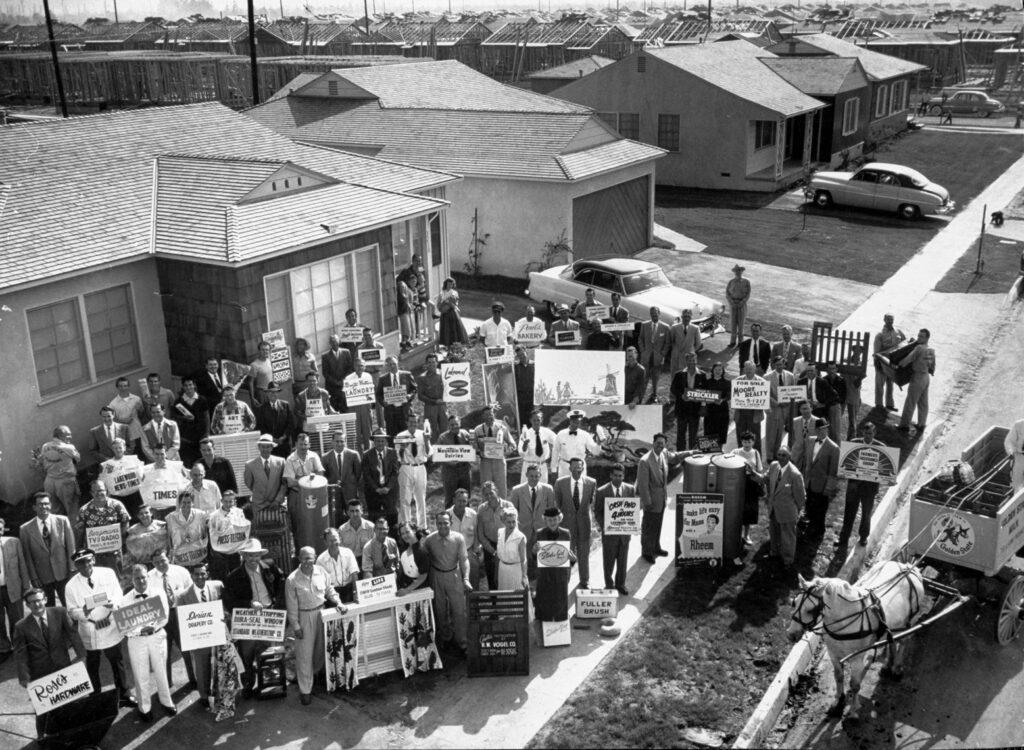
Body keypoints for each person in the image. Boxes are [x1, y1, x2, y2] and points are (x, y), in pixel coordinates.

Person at [13, 588, 86, 738]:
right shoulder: (21, 626)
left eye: (39, 600)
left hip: (62, 668)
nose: (37, 604)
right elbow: (21, 655)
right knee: (43, 709)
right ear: (27, 605)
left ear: (45, 599)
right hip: (40, 673)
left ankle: (71, 731)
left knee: (69, 702)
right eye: (32, 602)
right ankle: (41, 737)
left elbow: (73, 634)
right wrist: (25, 678)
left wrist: (82, 656)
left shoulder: (59, 612)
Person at [64, 548, 131, 705]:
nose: (85, 565)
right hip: (89, 628)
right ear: (75, 566)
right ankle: (95, 698)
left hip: (110, 623)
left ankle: (124, 694)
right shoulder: (70, 586)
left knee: (117, 661)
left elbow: (118, 594)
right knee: (92, 665)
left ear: (93, 560)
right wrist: (84, 612)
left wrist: (112, 605)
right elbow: (72, 611)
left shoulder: (107, 573)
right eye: (80, 563)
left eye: (88, 561)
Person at [223, 539, 285, 698]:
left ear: (260, 555)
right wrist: (248, 604)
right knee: (247, 654)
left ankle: (269, 684)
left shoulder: (270, 566)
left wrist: (276, 602)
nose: (253, 559)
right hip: (247, 619)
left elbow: (281, 582)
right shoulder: (234, 576)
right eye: (249, 556)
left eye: (256, 556)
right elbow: (229, 601)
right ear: (243, 556)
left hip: (268, 617)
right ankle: (248, 684)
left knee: (268, 652)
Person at [286, 546, 345, 705]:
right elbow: (291, 606)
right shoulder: (292, 579)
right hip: (304, 616)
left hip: (322, 614)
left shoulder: (321, 572)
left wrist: (338, 602)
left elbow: (329, 590)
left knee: (321, 650)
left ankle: (316, 676)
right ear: (299, 558)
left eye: (310, 558)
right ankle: (305, 690)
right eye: (304, 558)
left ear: (315, 557)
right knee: (304, 655)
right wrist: (296, 626)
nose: (307, 562)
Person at [119, 564, 176, 722]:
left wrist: (153, 627)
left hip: (157, 636)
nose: (141, 580)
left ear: (148, 577)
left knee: (161, 671)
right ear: (132, 580)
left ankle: (166, 701)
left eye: (143, 577)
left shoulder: (159, 593)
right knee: (140, 674)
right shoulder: (124, 600)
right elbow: (124, 628)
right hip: (136, 641)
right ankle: (144, 708)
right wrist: (139, 631)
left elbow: (164, 617)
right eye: (137, 578)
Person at [174, 562, 223, 711]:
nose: (200, 577)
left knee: (219, 665)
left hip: (216, 635)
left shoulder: (217, 586)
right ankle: (203, 695)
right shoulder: (183, 596)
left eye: (203, 573)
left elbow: (224, 605)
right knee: (202, 669)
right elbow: (182, 620)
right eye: (197, 574)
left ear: (207, 574)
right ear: (191, 576)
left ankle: (219, 693)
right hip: (198, 638)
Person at [423, 510, 472, 653]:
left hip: (454, 574)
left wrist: (466, 578)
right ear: (435, 524)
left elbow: (464, 559)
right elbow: (423, 557)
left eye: (445, 523)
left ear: (451, 523)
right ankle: (446, 639)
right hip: (437, 576)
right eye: (439, 523)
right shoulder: (430, 540)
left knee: (459, 610)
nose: (443, 526)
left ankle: (462, 642)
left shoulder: (458, 538)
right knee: (440, 610)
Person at [637, 434, 690, 563]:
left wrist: (690, 452)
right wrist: (647, 502)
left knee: (658, 525)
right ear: (653, 442)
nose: (660, 445)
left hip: (661, 499)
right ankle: (646, 552)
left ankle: (656, 547)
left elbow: (676, 457)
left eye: (663, 443)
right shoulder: (645, 461)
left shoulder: (664, 453)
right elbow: (642, 486)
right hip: (651, 501)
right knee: (649, 527)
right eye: (658, 443)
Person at [148, 549, 195, 687]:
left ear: (169, 558)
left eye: (163, 560)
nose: (160, 564)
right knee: (164, 651)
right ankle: (166, 683)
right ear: (152, 563)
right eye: (156, 562)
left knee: (187, 648)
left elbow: (191, 591)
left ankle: (194, 679)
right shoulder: (149, 577)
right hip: (161, 616)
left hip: (180, 612)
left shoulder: (181, 572)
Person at [837, 422, 888, 548]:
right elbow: (845, 463)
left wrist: (887, 478)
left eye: (870, 433)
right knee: (849, 513)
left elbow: (884, 469)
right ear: (862, 433)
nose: (867, 436)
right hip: (853, 487)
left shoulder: (881, 447)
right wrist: (843, 472)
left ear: (874, 433)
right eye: (865, 433)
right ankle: (843, 539)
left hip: (869, 489)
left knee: (866, 514)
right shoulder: (854, 443)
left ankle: (864, 537)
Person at [20, 492, 75, 606]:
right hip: (42, 577)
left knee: (70, 605)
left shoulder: (63, 521)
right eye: (40, 504)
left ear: (50, 505)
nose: (43, 507)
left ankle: (72, 624)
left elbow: (71, 548)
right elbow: (27, 557)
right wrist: (33, 577)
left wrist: (72, 569)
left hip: (63, 573)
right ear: (34, 507)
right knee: (49, 610)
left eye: (46, 503)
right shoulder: (25, 529)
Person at [554, 458, 597, 589]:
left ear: (583, 469)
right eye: (575, 467)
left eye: (580, 467)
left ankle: (585, 581)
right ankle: (563, 582)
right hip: (567, 526)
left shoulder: (591, 483)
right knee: (566, 555)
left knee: (584, 555)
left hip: (584, 525)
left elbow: (590, 503)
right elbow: (558, 505)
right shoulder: (560, 483)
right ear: (570, 468)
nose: (578, 470)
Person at [593, 463, 634, 595]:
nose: (617, 478)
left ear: (624, 476)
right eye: (615, 475)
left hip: (624, 534)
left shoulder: (630, 489)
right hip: (609, 534)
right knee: (609, 561)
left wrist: (631, 525)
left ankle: (620, 584)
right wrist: (605, 525)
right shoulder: (601, 491)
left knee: (622, 561)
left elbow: (632, 510)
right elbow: (597, 512)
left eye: (620, 476)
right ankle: (609, 585)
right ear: (610, 475)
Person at [76, 480, 130, 572]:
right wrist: (80, 548)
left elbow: (125, 522)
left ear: (106, 491)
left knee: (117, 578)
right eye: (95, 491)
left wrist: (119, 538)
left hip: (114, 553)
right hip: (94, 555)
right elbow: (80, 532)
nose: (99, 493)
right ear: (91, 493)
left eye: (101, 490)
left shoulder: (117, 505)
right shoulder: (84, 510)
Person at [766, 446, 805, 572]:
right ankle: (774, 553)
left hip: (787, 511)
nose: (781, 457)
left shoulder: (795, 474)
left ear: (789, 457)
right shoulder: (773, 466)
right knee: (774, 533)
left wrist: (796, 510)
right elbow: (765, 479)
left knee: (787, 537)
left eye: (784, 455)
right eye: (779, 454)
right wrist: (752, 473)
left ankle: (787, 560)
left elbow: (801, 497)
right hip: (774, 508)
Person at [533, 507, 574, 623]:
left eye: (555, 519)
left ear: (559, 519)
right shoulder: (539, 533)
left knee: (560, 598)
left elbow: (569, 555)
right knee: (544, 598)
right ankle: (544, 623)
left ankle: (560, 625)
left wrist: (573, 559)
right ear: (545, 520)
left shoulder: (566, 533)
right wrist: (534, 551)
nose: (552, 523)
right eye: (550, 520)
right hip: (545, 573)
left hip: (560, 573)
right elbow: (534, 557)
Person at [283, 434, 326, 538]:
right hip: (297, 494)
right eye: (301, 444)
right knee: (297, 523)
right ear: (296, 445)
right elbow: (290, 482)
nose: (303, 447)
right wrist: (308, 479)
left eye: (305, 444)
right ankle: (299, 549)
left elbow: (320, 475)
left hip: (313, 493)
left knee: (316, 520)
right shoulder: (290, 459)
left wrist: (299, 478)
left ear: (309, 445)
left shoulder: (314, 456)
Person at [39, 425, 81, 527]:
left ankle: (59, 536)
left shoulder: (45, 446)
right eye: (68, 434)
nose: (70, 437)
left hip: (49, 481)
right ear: (60, 435)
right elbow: (78, 459)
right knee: (72, 510)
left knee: (54, 510)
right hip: (65, 482)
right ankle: (74, 538)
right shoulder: (69, 447)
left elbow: (42, 461)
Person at [475, 482, 514, 590]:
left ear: (497, 491)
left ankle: (506, 601)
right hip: (489, 545)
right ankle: (494, 603)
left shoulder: (508, 506)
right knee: (492, 576)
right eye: (486, 494)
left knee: (506, 573)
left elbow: (514, 527)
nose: (489, 496)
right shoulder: (481, 509)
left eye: (491, 493)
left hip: (506, 543)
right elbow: (480, 534)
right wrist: (492, 550)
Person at [396, 412, 431, 527]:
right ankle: (406, 526)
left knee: (421, 498)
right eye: (411, 422)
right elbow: (397, 456)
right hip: (406, 467)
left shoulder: (423, 434)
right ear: (407, 422)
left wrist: (426, 441)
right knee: (405, 498)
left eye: (415, 422)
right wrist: (402, 449)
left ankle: (422, 526)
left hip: (420, 467)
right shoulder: (400, 436)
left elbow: (429, 453)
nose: (413, 424)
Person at [0, 518, 28, 660]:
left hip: (13, 588)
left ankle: (19, 646)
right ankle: (3, 648)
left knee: (17, 619)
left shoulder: (13, 542)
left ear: (3, 529)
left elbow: (22, 565)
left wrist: (26, 588)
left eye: (0, 528)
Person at [897, 328, 935, 432]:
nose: (918, 338)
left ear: (927, 338)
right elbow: (932, 366)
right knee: (923, 402)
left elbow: (908, 359)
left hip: (917, 377)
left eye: (921, 336)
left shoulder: (919, 348)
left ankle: (904, 425)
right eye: (918, 336)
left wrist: (899, 364)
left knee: (910, 401)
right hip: (926, 377)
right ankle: (921, 424)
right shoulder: (930, 349)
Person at [731, 431, 765, 547]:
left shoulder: (755, 453)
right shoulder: (735, 452)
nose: (747, 444)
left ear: (753, 442)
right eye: (745, 441)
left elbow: (760, 470)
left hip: (751, 484)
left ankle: (746, 535)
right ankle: (735, 534)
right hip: (738, 483)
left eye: (749, 441)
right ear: (741, 441)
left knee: (750, 510)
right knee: (737, 508)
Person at [473, 407, 516, 498]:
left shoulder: (502, 428)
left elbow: (512, 445)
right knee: (486, 487)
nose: (489, 416)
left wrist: (505, 452)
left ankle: (502, 509)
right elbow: (473, 446)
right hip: (485, 462)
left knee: (501, 488)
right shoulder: (478, 430)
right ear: (482, 416)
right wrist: (479, 452)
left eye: (491, 414)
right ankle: (486, 509)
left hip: (499, 462)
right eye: (487, 414)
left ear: (494, 415)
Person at [243, 434, 287, 522]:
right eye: (263, 447)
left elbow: (284, 484)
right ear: (259, 447)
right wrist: (261, 493)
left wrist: (277, 501)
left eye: (268, 447)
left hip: (277, 504)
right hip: (259, 505)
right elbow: (249, 484)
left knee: (279, 529)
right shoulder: (250, 465)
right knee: (261, 532)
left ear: (272, 448)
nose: (265, 449)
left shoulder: (281, 462)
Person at [362, 429, 400, 530]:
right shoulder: (367, 455)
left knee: (392, 516)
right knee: (374, 517)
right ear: (374, 441)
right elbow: (367, 475)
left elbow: (395, 472)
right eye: (378, 441)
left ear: (386, 441)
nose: (380, 443)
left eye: (382, 441)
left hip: (389, 490)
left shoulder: (392, 453)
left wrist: (388, 487)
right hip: (373, 492)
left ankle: (393, 536)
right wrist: (376, 489)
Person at [323, 431, 362, 525]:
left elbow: (358, 474)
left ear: (345, 442)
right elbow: (325, 477)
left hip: (350, 492)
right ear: (332, 442)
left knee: (354, 518)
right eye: (337, 441)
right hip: (334, 495)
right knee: (336, 520)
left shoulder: (354, 455)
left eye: (342, 441)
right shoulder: (325, 457)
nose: (339, 444)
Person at [208, 490, 248, 582]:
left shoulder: (239, 512)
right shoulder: (214, 515)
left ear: (234, 502)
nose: (228, 504)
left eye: (231, 501)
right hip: (221, 550)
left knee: (236, 575)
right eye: (226, 501)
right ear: (222, 501)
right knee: (222, 576)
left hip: (235, 549)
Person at [447, 489, 482, 590]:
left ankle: (474, 603)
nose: (462, 504)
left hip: (469, 550)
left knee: (474, 574)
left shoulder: (473, 514)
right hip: (453, 552)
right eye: (459, 501)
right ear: (454, 500)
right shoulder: (447, 515)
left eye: (464, 501)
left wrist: (475, 550)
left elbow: (476, 533)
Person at [670, 352, 706, 451]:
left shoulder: (703, 375)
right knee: (681, 433)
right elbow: (673, 389)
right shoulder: (679, 374)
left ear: (696, 360)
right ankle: (680, 455)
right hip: (682, 408)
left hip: (695, 410)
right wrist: (681, 395)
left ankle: (692, 455)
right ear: (686, 361)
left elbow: (705, 392)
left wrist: (703, 405)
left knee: (693, 435)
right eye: (689, 360)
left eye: (693, 360)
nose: (691, 363)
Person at [765, 355, 797, 461]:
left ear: (784, 364)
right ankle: (769, 456)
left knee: (780, 434)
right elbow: (766, 394)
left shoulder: (790, 376)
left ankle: (776, 455)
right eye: (777, 364)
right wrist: (777, 403)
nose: (779, 366)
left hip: (785, 409)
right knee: (771, 434)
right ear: (774, 365)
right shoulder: (767, 377)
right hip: (773, 409)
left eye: (781, 364)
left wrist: (788, 402)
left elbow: (793, 391)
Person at [174, 377, 211, 467]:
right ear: (183, 387)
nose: (188, 387)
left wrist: (206, 434)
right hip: (186, 439)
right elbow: (175, 417)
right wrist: (184, 418)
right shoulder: (178, 401)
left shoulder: (202, 399)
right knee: (188, 463)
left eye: (190, 384)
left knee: (202, 462)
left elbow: (206, 417)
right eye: (186, 385)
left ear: (194, 385)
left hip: (201, 438)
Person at [437, 414, 474, 505]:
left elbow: (472, 448)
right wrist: (448, 461)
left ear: (460, 423)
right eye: (451, 425)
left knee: (466, 497)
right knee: (450, 499)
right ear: (448, 426)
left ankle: (467, 518)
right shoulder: (442, 437)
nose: (454, 426)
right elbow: (437, 455)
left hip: (464, 470)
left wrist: (474, 444)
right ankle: (449, 518)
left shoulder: (465, 434)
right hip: (449, 472)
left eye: (456, 424)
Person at [167, 489, 209, 567]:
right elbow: (169, 539)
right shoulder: (170, 518)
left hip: (198, 555)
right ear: (179, 503)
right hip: (180, 558)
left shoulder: (201, 515)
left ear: (192, 503)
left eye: (188, 502)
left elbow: (206, 533)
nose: (186, 505)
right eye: (183, 502)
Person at [376, 356, 417, 437]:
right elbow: (379, 395)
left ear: (397, 364)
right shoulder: (383, 379)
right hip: (390, 412)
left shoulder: (407, 375)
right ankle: (393, 450)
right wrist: (383, 402)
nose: (392, 366)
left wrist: (410, 395)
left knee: (406, 435)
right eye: (390, 365)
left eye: (394, 364)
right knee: (392, 436)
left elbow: (414, 389)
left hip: (404, 410)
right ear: (387, 366)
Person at [637, 306, 671, 403]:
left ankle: (654, 395)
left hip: (658, 358)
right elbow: (640, 339)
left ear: (659, 314)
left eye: (656, 314)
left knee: (655, 377)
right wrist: (642, 351)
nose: (654, 316)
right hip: (646, 356)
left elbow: (667, 343)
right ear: (650, 315)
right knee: (644, 376)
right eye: (652, 315)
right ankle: (641, 394)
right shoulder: (644, 325)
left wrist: (662, 354)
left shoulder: (665, 327)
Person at [551, 409, 598, 479]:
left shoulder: (585, 435)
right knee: (564, 488)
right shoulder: (561, 434)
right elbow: (555, 452)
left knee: (580, 487)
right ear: (570, 421)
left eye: (578, 422)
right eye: (574, 422)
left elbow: (594, 450)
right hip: (565, 467)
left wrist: (599, 444)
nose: (576, 424)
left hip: (579, 467)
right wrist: (553, 469)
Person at [317, 527, 359, 603]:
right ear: (325, 542)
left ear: (339, 539)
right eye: (330, 541)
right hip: (331, 594)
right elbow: (322, 584)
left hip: (349, 590)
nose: (333, 543)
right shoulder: (321, 560)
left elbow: (354, 574)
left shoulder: (348, 553)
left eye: (335, 540)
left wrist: (355, 592)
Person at [733, 360, 767, 453]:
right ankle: (740, 457)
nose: (749, 371)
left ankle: (756, 458)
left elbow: (764, 399)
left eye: (751, 369)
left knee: (755, 437)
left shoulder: (762, 382)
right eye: (747, 369)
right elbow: (734, 398)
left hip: (754, 414)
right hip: (741, 413)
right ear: (744, 369)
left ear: (755, 369)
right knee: (741, 436)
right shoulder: (737, 381)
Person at [255, 382, 295, 458]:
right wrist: (272, 439)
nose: (273, 394)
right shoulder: (261, 409)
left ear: (278, 393)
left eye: (275, 392)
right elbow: (260, 427)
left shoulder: (285, 405)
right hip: (270, 445)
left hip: (284, 444)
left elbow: (291, 424)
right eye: (270, 392)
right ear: (267, 394)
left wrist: (284, 437)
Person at [343, 358, 376, 450]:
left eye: (361, 365)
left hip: (365, 407)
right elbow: (346, 393)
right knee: (356, 432)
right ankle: (358, 454)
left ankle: (368, 451)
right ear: (354, 366)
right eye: (357, 365)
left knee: (367, 431)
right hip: (354, 407)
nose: (359, 367)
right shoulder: (348, 378)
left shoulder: (368, 376)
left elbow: (370, 392)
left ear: (365, 367)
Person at [108, 376, 145, 455]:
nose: (123, 388)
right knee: (130, 458)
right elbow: (112, 420)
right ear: (117, 387)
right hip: (125, 436)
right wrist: (123, 421)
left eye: (125, 386)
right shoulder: (113, 404)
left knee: (142, 455)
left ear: (128, 386)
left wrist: (140, 409)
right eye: (120, 386)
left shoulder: (136, 399)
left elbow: (142, 415)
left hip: (137, 432)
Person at [518, 410, 556, 483]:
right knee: (527, 491)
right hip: (529, 466)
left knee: (543, 490)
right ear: (530, 420)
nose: (536, 422)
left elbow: (557, 442)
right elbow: (522, 454)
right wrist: (525, 444)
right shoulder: (526, 433)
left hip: (542, 466)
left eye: (538, 420)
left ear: (541, 420)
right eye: (534, 420)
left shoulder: (547, 432)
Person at [496, 508, 528, 591]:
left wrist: (524, 576)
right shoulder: (500, 532)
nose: (512, 525)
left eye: (514, 521)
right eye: (509, 522)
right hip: (502, 570)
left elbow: (523, 559)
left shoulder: (520, 537)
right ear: (503, 522)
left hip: (515, 571)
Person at [296, 371, 337, 436]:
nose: (312, 383)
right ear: (306, 381)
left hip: (323, 426)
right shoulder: (301, 395)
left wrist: (334, 412)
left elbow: (329, 407)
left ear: (317, 381)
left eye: (314, 380)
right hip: (309, 428)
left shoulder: (324, 393)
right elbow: (298, 412)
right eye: (309, 381)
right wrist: (307, 418)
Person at [417, 353, 446, 438]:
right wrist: (434, 401)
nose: (432, 364)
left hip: (442, 406)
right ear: (426, 364)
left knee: (445, 428)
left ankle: (445, 448)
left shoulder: (443, 374)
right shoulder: (422, 377)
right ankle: (433, 449)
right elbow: (420, 395)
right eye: (429, 362)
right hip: (430, 407)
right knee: (432, 431)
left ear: (437, 362)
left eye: (433, 362)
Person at [322, 335, 354, 413]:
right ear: (330, 343)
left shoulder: (346, 352)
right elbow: (325, 373)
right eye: (332, 342)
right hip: (332, 387)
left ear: (339, 341)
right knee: (334, 410)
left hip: (344, 386)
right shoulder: (325, 356)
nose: (334, 343)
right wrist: (336, 382)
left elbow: (350, 368)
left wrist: (343, 380)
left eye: (336, 341)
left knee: (345, 408)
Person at [703, 362, 731, 448]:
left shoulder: (727, 383)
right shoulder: (707, 382)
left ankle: (719, 451)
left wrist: (722, 400)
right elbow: (702, 394)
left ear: (723, 371)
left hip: (722, 410)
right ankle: (708, 452)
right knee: (709, 431)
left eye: (720, 369)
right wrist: (706, 400)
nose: (718, 371)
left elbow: (729, 395)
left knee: (721, 431)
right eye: (716, 369)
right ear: (712, 371)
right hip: (710, 410)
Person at [396, 522, 429, 595]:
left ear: (414, 530)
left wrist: (407, 590)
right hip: (407, 587)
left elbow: (423, 575)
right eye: (402, 533)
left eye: (407, 532)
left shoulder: (422, 550)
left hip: (421, 589)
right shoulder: (403, 548)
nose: (405, 535)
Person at [668, 308, 702, 377]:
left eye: (688, 317)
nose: (686, 319)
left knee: (687, 376)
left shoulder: (695, 328)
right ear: (681, 317)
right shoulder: (675, 327)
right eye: (685, 316)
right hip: (676, 356)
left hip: (689, 358)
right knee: (675, 375)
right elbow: (670, 341)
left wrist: (691, 351)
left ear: (691, 317)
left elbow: (698, 343)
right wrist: (676, 350)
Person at [436, 277, 468, 347]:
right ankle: (447, 347)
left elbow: (455, 303)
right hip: (444, 314)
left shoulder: (454, 293)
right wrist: (443, 305)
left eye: (451, 284)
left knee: (454, 331)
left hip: (452, 313)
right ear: (445, 284)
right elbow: (438, 304)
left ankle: (455, 347)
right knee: (446, 330)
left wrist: (449, 303)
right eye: (448, 284)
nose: (450, 286)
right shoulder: (441, 293)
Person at [789, 400, 817, 474]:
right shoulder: (794, 421)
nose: (805, 411)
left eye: (807, 408)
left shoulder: (817, 421)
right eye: (803, 409)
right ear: (800, 410)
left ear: (811, 408)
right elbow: (791, 438)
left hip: (810, 454)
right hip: (797, 454)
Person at [726, 264, 751, 348]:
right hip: (733, 304)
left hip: (741, 305)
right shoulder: (731, 282)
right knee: (733, 323)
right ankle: (732, 341)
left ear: (742, 271)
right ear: (734, 272)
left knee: (741, 324)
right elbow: (727, 293)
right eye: (736, 271)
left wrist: (742, 302)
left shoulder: (746, 282)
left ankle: (741, 342)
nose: (738, 272)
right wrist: (731, 302)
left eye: (739, 270)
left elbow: (748, 294)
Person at [823, 362, 847, 444]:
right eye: (829, 368)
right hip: (825, 408)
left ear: (836, 369)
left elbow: (843, 397)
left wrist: (841, 410)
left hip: (836, 407)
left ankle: (837, 451)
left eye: (833, 368)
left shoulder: (841, 380)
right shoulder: (823, 380)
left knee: (836, 432)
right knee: (827, 431)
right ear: (827, 369)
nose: (831, 370)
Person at [513, 346, 535, 429]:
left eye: (523, 354)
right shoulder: (515, 367)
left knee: (532, 417)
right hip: (521, 398)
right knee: (522, 419)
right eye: (519, 356)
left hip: (532, 397)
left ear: (526, 352)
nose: (522, 357)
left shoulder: (535, 364)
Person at [248, 341, 274, 407]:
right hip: (262, 393)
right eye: (263, 350)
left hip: (271, 391)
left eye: (267, 350)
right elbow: (250, 382)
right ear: (259, 351)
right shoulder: (254, 365)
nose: (265, 352)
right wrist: (252, 398)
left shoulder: (269, 360)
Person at [1005, 418, 1024, 494]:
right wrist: (1010, 452)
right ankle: (1014, 502)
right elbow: (1009, 441)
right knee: (1016, 484)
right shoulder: (1019, 425)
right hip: (1019, 457)